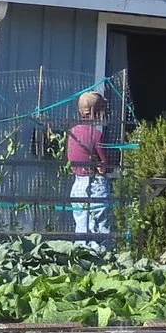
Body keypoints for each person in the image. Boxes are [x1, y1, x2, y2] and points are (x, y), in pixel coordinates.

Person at [66, 90, 113, 240]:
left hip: (77, 184)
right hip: (95, 185)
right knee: (99, 228)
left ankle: (81, 259)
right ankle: (101, 261)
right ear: (97, 113)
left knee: (82, 227)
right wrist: (102, 166)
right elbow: (105, 164)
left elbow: (71, 156)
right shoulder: (96, 134)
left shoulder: (73, 132)